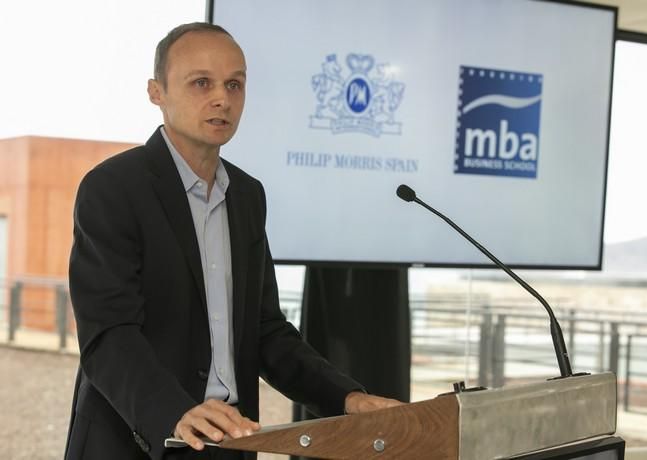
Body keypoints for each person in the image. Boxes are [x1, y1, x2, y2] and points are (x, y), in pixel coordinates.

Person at [64, 22, 400, 460]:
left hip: (231, 444)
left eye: (234, 84)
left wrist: (346, 398)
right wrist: (174, 411)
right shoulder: (112, 188)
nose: (222, 98)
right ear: (156, 92)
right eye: (201, 82)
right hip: (137, 440)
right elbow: (108, 335)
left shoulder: (247, 195)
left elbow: (266, 332)